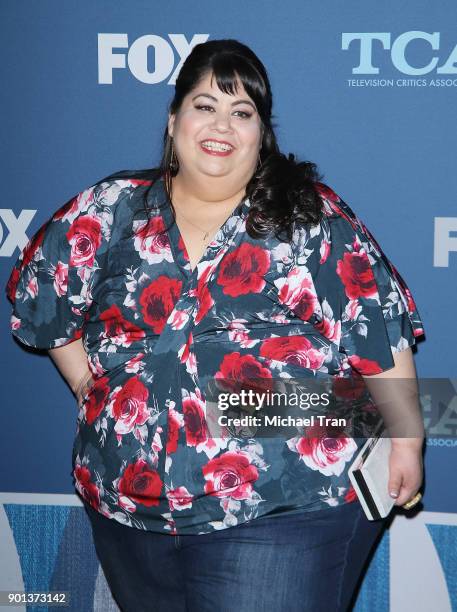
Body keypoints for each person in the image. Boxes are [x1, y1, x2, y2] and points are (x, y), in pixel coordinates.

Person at [5, 39, 425, 611]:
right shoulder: (108, 209)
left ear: (261, 134)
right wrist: (89, 387)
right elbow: (43, 302)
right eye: (206, 105)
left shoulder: (308, 212)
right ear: (175, 118)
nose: (222, 124)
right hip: (130, 511)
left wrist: (408, 439)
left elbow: (377, 325)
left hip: (284, 500)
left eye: (242, 112)